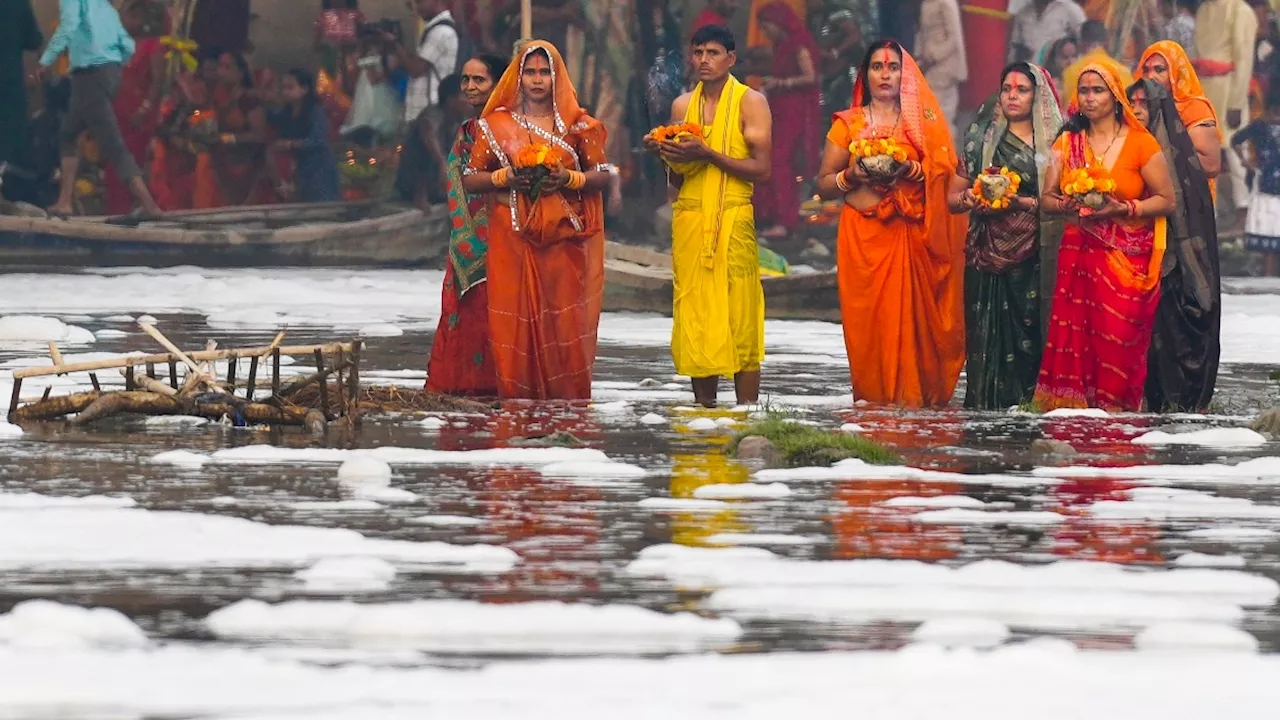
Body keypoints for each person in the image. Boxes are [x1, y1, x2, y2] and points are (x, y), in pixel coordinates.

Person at [815, 40, 967, 408]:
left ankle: (915, 404)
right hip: (863, 237)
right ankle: (873, 408)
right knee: (868, 325)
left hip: (912, 231)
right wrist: (851, 176)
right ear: (865, 75)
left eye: (893, 67)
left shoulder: (922, 124)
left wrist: (912, 169)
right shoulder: (846, 124)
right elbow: (823, 183)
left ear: (906, 74)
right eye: (877, 67)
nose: (885, 74)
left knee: (917, 327)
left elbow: (947, 172)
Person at [462, 41, 612, 400]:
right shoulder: (494, 124)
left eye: (545, 72)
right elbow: (471, 178)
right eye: (530, 72)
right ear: (519, 76)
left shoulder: (580, 125)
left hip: (563, 239)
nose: (537, 80)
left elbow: (603, 174)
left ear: (557, 77)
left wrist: (569, 179)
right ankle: (517, 405)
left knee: (562, 321)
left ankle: (565, 407)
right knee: (513, 321)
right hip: (511, 235)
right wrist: (506, 178)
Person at [1034, 57, 1177, 412]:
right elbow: (1046, 200)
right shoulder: (1067, 144)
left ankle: (1119, 420)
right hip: (1078, 251)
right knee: (1077, 339)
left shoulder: (1141, 144)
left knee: (1118, 340)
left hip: (1127, 259)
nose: (1089, 98)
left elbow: (1167, 200)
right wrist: (1067, 204)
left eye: (1098, 90)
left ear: (1115, 96)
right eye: (1083, 91)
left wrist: (1123, 209)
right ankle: (1073, 417)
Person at [648, 25, 772, 408]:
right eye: (698, 52)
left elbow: (762, 168)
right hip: (691, 218)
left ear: (730, 59)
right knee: (697, 317)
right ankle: (703, 414)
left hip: (733, 220)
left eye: (713, 53)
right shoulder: (682, 107)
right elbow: (676, 180)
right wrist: (665, 155)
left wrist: (709, 154)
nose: (704, 60)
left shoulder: (752, 102)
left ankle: (747, 415)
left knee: (740, 317)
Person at [949, 63, 1064, 410]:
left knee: (1028, 335)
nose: (1012, 96)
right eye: (1007, 89)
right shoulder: (979, 139)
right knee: (985, 336)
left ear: (1037, 95)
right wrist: (968, 198)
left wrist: (1021, 202)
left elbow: (1064, 202)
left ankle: (1026, 411)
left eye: (1022, 89)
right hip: (985, 254)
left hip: (1034, 256)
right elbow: (952, 198)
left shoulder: (1056, 142)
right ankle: (985, 412)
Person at [1128, 77, 1222, 412]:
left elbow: (1192, 222)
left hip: (1175, 263)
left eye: (1145, 104)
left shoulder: (1181, 159)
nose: (1138, 110)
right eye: (1132, 102)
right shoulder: (1120, 146)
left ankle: (1175, 403)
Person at [427, 53, 507, 397]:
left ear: (498, 84)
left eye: (480, 80)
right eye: (465, 80)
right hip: (465, 241)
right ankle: (465, 388)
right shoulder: (467, 129)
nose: (470, 87)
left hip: (503, 236)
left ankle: (498, 388)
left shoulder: (506, 127)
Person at [36, 0, 163, 217]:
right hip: (94, 77)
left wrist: (46, 60)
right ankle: (65, 200)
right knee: (68, 133)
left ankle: (149, 205)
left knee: (113, 145)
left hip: (91, 78)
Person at [753, 2, 820, 240]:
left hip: (794, 112)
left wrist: (780, 84)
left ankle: (785, 221)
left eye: (766, 26)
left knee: (781, 162)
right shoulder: (780, 45)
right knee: (769, 159)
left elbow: (810, 77)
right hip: (779, 109)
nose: (765, 31)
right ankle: (771, 215)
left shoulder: (798, 43)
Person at [1196, 0, 1258, 228]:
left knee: (1235, 151)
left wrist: (1236, 102)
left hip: (1229, 88)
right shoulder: (1203, 9)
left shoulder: (1240, 11)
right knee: (1204, 151)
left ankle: (1243, 210)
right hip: (1204, 89)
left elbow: (1244, 62)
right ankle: (1208, 211)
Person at [103, 0, 166, 215]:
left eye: (137, 16)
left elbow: (158, 82)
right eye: (130, 15)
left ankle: (141, 209)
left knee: (135, 163)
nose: (132, 20)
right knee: (114, 167)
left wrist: (145, 109)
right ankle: (116, 212)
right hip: (116, 113)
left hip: (140, 117)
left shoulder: (152, 45)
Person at [193, 51, 271, 208]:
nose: (221, 71)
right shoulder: (215, 97)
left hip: (243, 167)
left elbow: (260, 136)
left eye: (227, 67)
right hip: (218, 165)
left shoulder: (249, 100)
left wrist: (228, 138)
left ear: (240, 73)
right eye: (220, 66)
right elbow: (203, 121)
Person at [269, 69, 340, 203]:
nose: (285, 92)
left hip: (319, 168)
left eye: (290, 87)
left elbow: (319, 141)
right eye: (283, 88)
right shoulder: (286, 113)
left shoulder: (315, 112)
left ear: (305, 89)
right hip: (301, 170)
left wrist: (290, 144)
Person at [1235, 86, 1280, 275]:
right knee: (1269, 233)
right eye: (1276, 113)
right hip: (1267, 185)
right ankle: (1267, 276)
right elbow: (1236, 140)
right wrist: (1246, 161)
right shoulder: (1259, 126)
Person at [396, 0, 459, 126]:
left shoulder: (441, 32)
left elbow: (416, 69)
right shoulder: (434, 29)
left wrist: (395, 45)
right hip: (425, 109)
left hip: (429, 109)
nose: (417, 8)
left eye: (419, 2)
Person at [915, 0, 968, 128]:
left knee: (942, 118)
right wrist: (918, 59)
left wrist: (933, 57)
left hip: (945, 68)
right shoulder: (926, 3)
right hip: (929, 67)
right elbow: (922, 33)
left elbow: (954, 38)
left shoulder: (946, 3)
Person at [1062, 20, 1134, 106]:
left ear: (1081, 44)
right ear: (1107, 43)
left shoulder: (1070, 72)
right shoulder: (1123, 71)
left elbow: (1066, 109)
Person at [1009, 0, 1088, 63]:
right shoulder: (1023, 13)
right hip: (1030, 74)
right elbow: (1014, 48)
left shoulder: (1070, 9)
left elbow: (1085, 43)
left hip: (1059, 77)